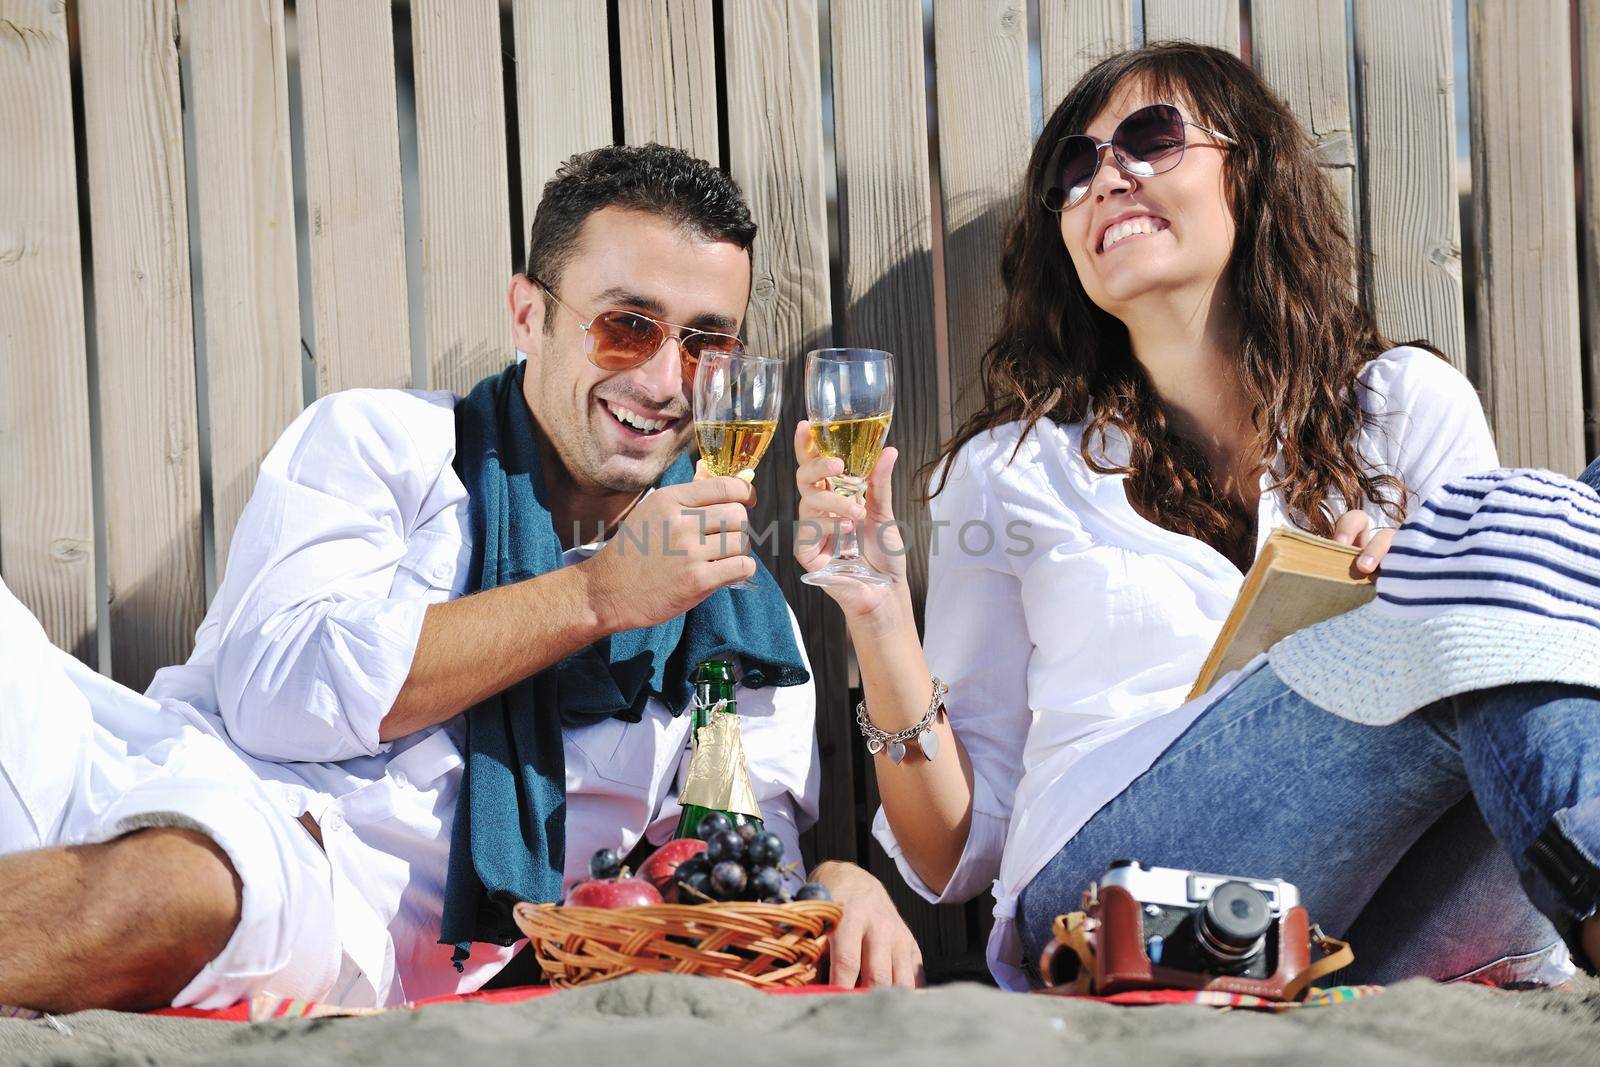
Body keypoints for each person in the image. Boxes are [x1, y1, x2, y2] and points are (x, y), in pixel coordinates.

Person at [0, 144, 918, 1014]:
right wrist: (594, 597)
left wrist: (838, 880)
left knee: (185, 886)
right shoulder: (380, 444)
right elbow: (271, 689)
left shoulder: (736, 625)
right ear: (530, 315)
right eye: (626, 325)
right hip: (119, 757)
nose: (665, 378)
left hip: (302, 891)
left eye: (705, 342)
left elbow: (721, 871)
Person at [791, 41, 1600, 990]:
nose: (1107, 176)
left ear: (1249, 174)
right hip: (1128, 910)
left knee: (1508, 555)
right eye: (1075, 166)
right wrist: (881, 616)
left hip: (1389, 929)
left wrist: (1416, 586)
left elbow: (1531, 661)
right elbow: (952, 857)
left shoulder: (1407, 405)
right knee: (1491, 543)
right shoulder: (1013, 471)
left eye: (1149, 136)